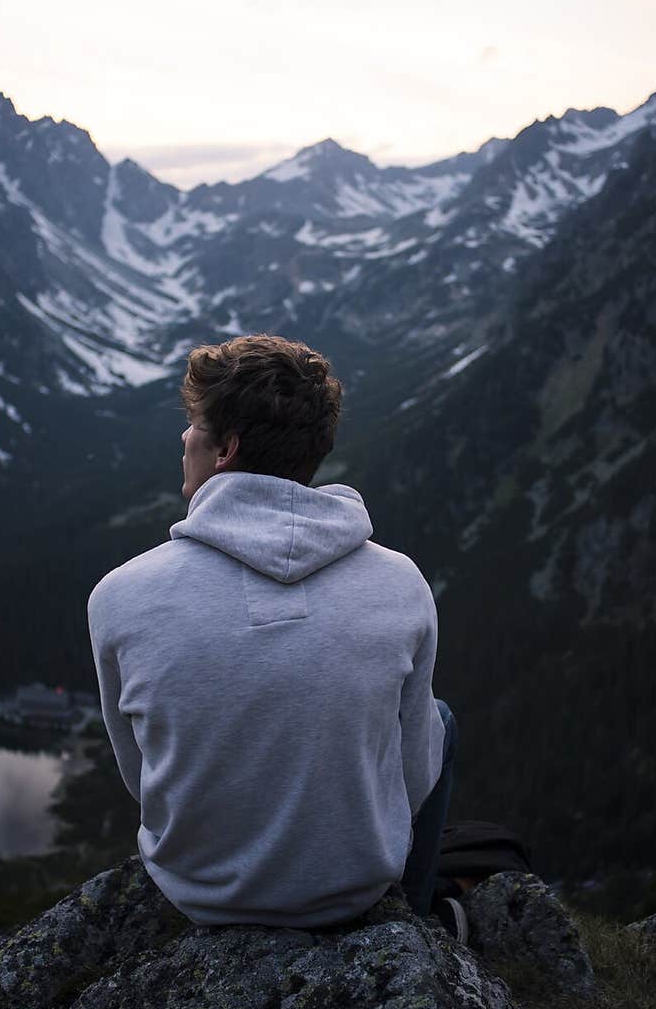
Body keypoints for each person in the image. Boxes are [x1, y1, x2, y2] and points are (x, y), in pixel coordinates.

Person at [87, 333, 464, 937]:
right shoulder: (400, 581)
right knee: (438, 719)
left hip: (201, 895)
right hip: (354, 892)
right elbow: (414, 780)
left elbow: (143, 775)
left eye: (195, 424)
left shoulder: (120, 594)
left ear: (225, 450)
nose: (184, 437)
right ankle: (414, 922)